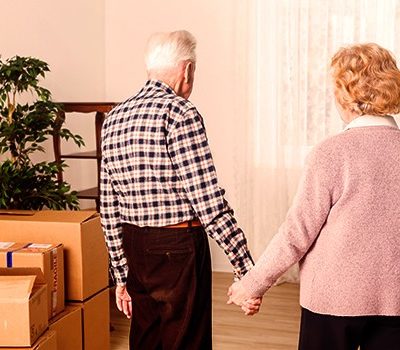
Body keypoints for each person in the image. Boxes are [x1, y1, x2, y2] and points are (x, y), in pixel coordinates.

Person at [228, 42, 400, 350]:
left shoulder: (331, 153)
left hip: (333, 300)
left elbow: (297, 233)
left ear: (346, 96)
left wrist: (252, 284)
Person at [100, 30, 257, 350]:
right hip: (178, 248)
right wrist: (246, 269)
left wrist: (121, 275)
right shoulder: (181, 113)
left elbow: (109, 207)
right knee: (187, 341)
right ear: (186, 69)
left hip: (135, 245)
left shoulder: (114, 117)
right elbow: (208, 201)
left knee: (146, 340)